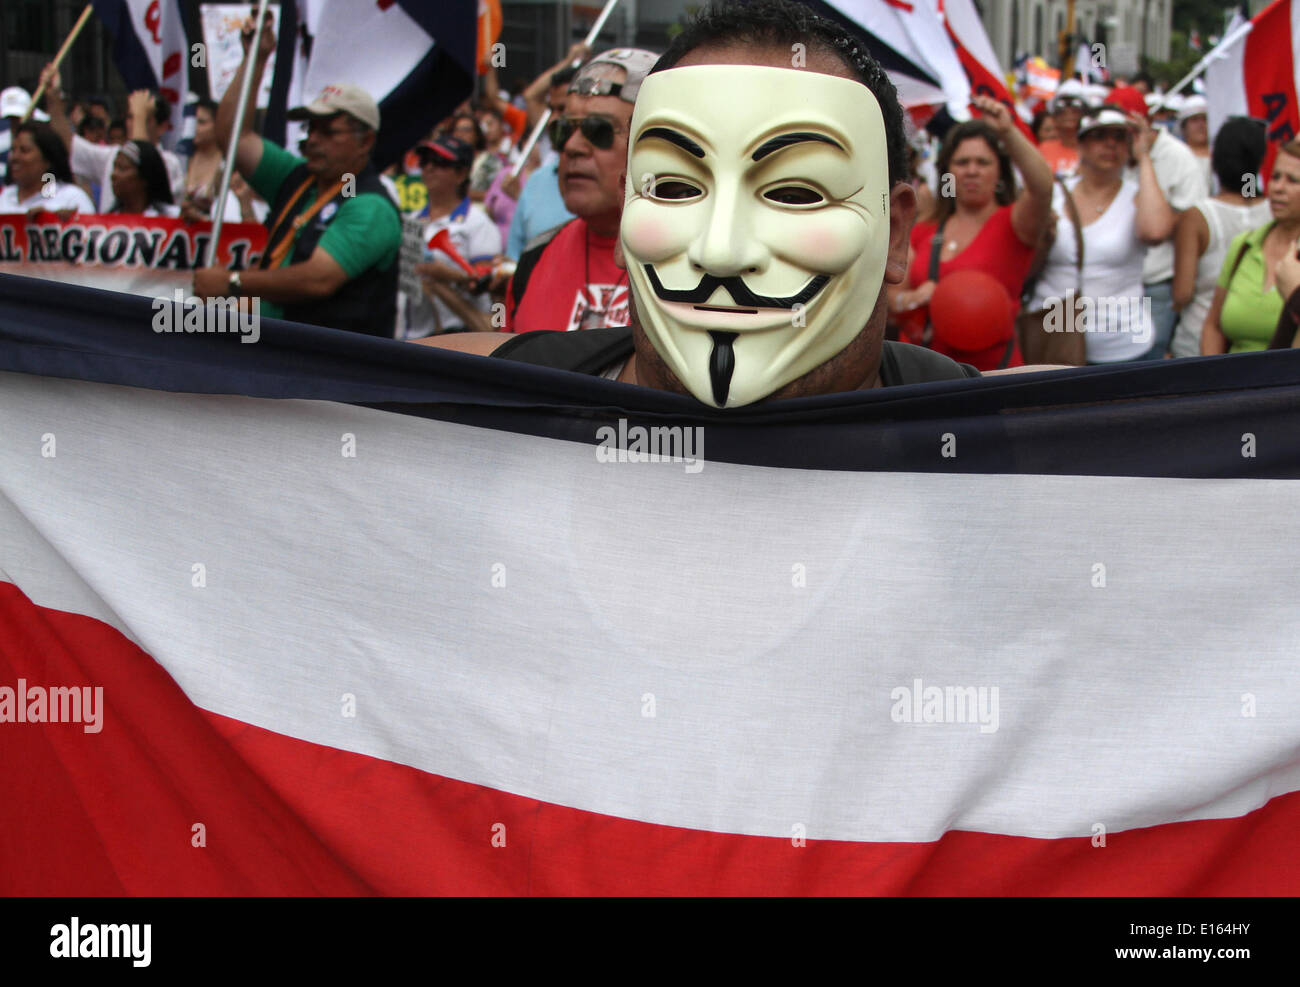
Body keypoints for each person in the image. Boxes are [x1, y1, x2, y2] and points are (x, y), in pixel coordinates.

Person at [418, 0, 1058, 404]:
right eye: (673, 188)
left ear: (895, 235)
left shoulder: (1020, 446)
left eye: (796, 193)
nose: (720, 250)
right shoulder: (457, 407)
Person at [193, 15, 402, 337]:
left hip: (340, 373)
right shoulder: (298, 177)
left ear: (366, 141)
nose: (313, 139)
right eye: (310, 129)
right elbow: (232, 136)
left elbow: (317, 279)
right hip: (283, 359)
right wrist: (256, 58)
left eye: (328, 131)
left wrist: (232, 282)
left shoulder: (371, 206)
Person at [503, 48, 659, 333]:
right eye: (564, 130)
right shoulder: (535, 257)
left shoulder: (698, 265)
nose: (572, 147)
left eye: (598, 130)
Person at [891, 100, 1053, 370]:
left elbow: (1042, 187)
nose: (972, 170)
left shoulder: (1015, 224)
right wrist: (915, 298)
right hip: (931, 377)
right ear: (948, 172)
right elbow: (892, 298)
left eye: (983, 162)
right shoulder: (924, 230)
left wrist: (1007, 131)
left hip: (997, 378)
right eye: (962, 162)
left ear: (999, 171)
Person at [1026, 108, 1173, 364]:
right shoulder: (1056, 194)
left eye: (1119, 137)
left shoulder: (1137, 195)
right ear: (1080, 144)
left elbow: (1155, 231)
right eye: (1099, 136)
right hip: (1055, 341)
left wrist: (1144, 156)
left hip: (1123, 349)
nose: (1110, 144)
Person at [1106, 84, 1210, 360]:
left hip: (1155, 286)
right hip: (1110, 286)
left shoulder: (1179, 158)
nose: (1114, 140)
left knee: (1147, 369)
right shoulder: (1107, 155)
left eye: (1123, 130)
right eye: (1108, 131)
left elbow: (1192, 224)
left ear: (1147, 124)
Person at [1169, 118, 1270, 359]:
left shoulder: (1197, 216)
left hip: (1198, 340)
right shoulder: (1272, 211)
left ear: (1215, 159)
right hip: (1256, 337)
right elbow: (1246, 191)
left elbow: (1182, 292)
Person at [1200, 140, 1300, 354]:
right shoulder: (1244, 245)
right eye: (1275, 177)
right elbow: (1213, 326)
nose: (1278, 188)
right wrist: (1216, 379)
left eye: (1293, 180)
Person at [42, 65, 185, 211]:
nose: (133, 123)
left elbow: (142, 166)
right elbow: (69, 143)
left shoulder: (168, 163)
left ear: (162, 127)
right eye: (130, 117)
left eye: (142, 118)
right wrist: (53, 98)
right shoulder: (112, 156)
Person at [406, 135, 502, 337]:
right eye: (424, 161)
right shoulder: (411, 221)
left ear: (461, 174)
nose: (429, 168)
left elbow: (486, 286)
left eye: (439, 162)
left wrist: (448, 277)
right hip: (412, 334)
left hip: (461, 334)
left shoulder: (478, 223)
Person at [0, 121, 94, 215]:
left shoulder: (71, 198)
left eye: (24, 151)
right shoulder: (3, 196)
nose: (14, 157)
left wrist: (50, 220)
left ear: (47, 160)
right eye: (13, 150)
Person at [105, 139, 179, 216]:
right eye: (114, 167)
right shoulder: (104, 223)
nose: (114, 174)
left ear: (145, 178)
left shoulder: (172, 217)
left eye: (122, 168)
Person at [1035, 79, 1087, 177]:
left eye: (1075, 108)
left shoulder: (1093, 149)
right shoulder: (1043, 149)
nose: (1068, 113)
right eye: (1060, 109)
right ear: (1054, 118)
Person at [1177, 95, 1212, 191]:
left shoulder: (1226, 154)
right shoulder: (1176, 157)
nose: (1201, 125)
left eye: (1205, 119)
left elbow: (1248, 186)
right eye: (1194, 120)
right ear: (1184, 127)